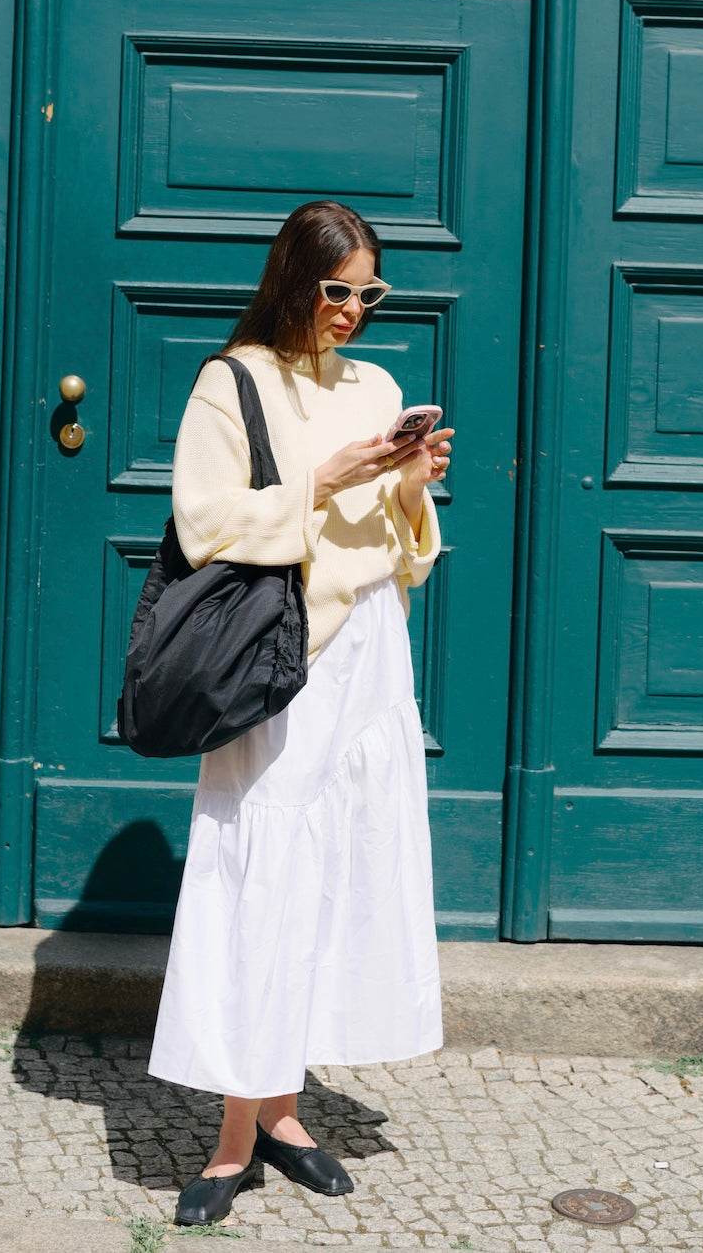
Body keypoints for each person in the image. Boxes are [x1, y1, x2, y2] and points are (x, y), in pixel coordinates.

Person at [146, 200, 454, 1227]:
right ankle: (237, 1132)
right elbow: (203, 520)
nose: (355, 311)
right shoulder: (233, 381)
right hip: (279, 653)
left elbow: (403, 549)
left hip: (370, 646)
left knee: (335, 871)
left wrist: (412, 486)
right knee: (263, 874)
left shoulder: (376, 384)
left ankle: (285, 1109)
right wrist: (321, 481)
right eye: (338, 290)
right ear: (294, 279)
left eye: (372, 293)